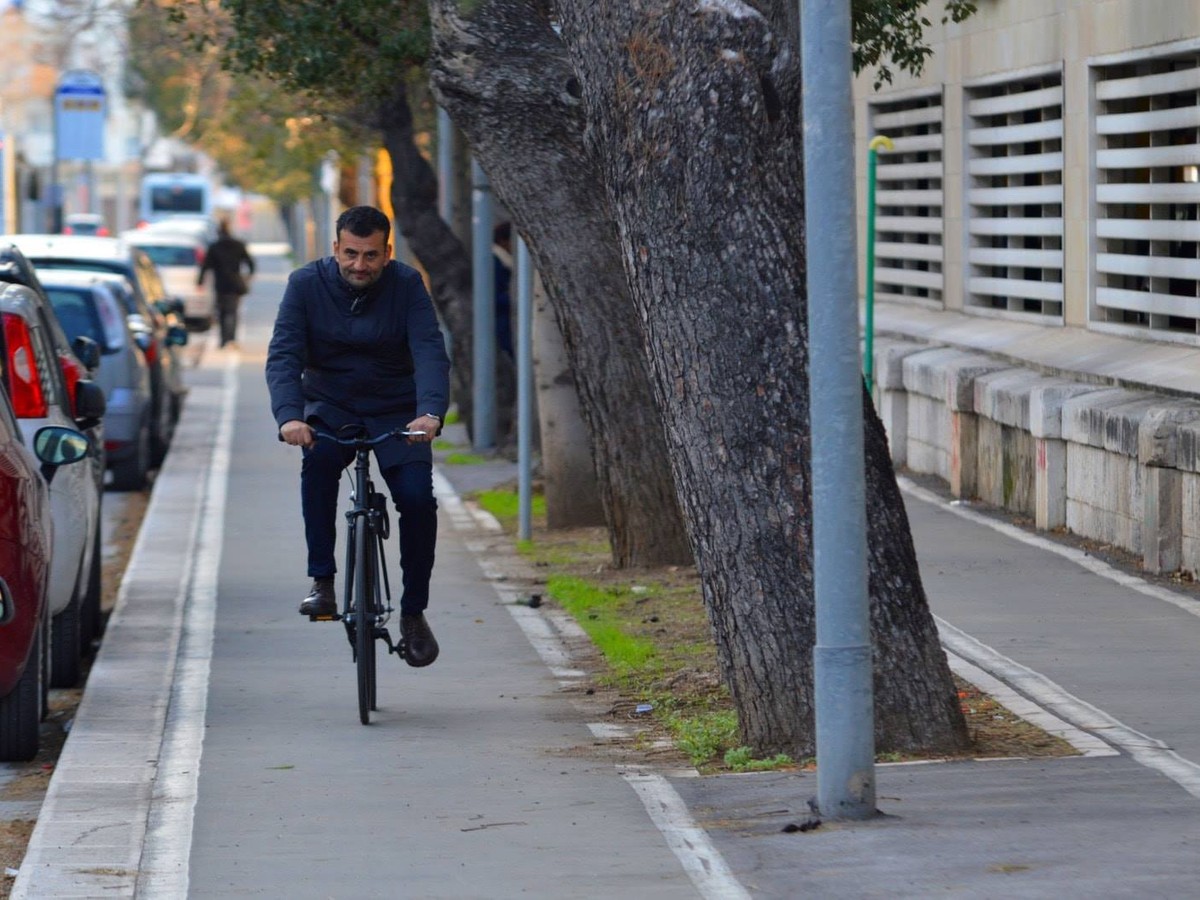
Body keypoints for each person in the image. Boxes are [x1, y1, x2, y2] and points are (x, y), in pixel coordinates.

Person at [265, 206, 451, 667]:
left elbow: (429, 349)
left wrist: (429, 413)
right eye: (350, 254)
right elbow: (284, 355)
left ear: (387, 252)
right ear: (335, 249)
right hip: (330, 408)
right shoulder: (305, 285)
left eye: (371, 255)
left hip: (396, 410)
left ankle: (413, 612)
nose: (360, 265)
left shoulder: (406, 284)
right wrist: (291, 417)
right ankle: (322, 582)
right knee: (320, 468)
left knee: (416, 498)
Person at [198, 219, 256, 347]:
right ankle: (231, 338)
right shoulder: (238, 244)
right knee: (233, 311)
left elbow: (205, 266)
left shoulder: (214, 247)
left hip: (221, 284)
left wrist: (200, 282)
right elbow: (250, 263)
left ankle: (223, 340)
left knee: (222, 312)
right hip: (235, 283)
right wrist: (249, 276)